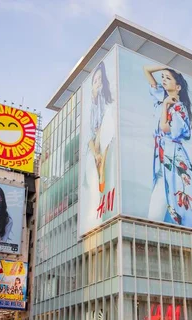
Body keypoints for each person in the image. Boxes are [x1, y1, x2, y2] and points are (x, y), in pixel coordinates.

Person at [143, 65, 192, 231]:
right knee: (160, 200)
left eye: (168, 78)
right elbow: (146, 70)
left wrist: (166, 105)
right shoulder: (161, 98)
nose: (163, 80)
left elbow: (166, 128)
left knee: (179, 200)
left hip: (174, 157)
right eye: (163, 77)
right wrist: (165, 67)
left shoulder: (179, 108)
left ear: (178, 86)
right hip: (162, 156)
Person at [83, 60, 116, 225]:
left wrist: (100, 151)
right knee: (94, 188)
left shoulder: (106, 102)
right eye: (95, 81)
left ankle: (102, 168)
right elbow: (89, 136)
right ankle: (100, 168)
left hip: (103, 145)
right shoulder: (88, 105)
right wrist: (96, 152)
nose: (97, 83)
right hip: (92, 148)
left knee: (108, 118)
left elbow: (104, 126)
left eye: (100, 80)